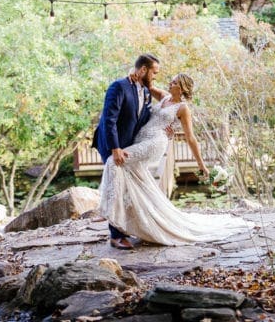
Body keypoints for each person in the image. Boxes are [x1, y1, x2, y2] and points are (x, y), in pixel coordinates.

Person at [97, 71, 252, 246]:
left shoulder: (183, 109)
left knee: (114, 161)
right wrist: (131, 76)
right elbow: (147, 84)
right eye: (171, 81)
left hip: (155, 142)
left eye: (174, 82)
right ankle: (140, 222)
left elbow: (191, 138)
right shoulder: (164, 97)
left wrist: (201, 165)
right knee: (131, 174)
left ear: (183, 88)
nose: (170, 84)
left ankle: (107, 210)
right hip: (141, 138)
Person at [92, 53, 161, 249]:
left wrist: (165, 127)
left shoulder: (145, 92)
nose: (155, 77)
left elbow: (145, 117)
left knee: (127, 187)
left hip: (128, 146)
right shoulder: (119, 86)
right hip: (110, 144)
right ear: (143, 70)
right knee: (117, 185)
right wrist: (115, 148)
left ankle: (126, 227)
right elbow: (109, 119)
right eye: (154, 73)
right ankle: (115, 235)